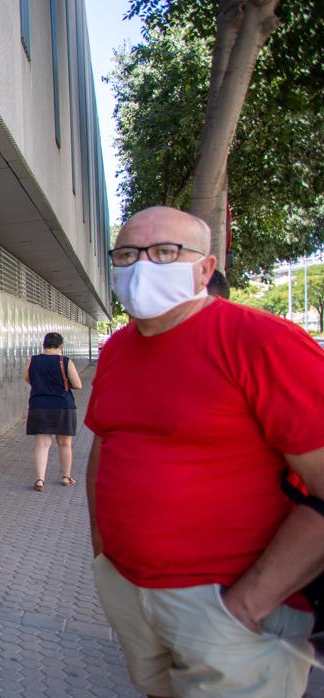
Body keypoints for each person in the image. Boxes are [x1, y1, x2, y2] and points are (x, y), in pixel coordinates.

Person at [86, 206, 324, 698]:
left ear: (205, 268)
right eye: (128, 254)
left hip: (229, 609)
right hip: (131, 591)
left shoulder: (264, 342)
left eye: (165, 252)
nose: (142, 266)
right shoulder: (116, 350)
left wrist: (246, 605)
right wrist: (103, 555)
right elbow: (105, 446)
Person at [23, 332, 83, 491]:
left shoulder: (33, 360)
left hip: (39, 405)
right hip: (63, 405)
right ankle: (66, 476)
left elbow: (27, 378)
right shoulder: (65, 361)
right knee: (65, 443)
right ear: (60, 346)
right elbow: (78, 385)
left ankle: (40, 479)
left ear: (44, 344)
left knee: (42, 444)